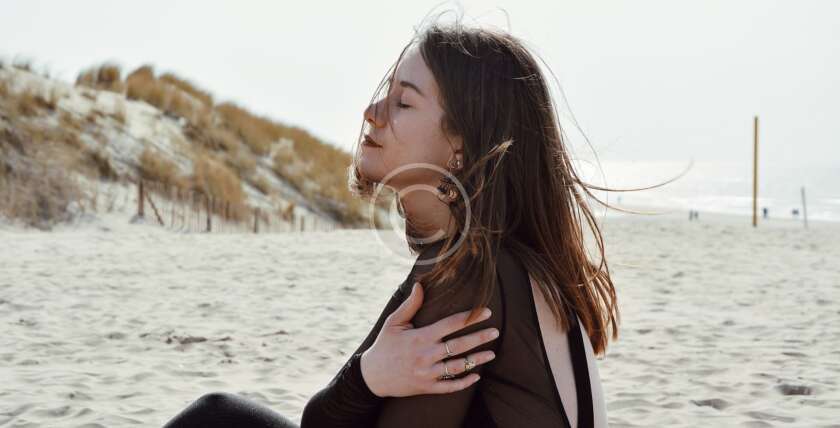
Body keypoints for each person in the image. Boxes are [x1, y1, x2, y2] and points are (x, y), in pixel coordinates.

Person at [163, 15, 625, 428]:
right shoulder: (499, 263)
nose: (372, 113)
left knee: (214, 420)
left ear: (461, 145)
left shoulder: (471, 271)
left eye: (403, 103)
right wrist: (368, 376)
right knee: (220, 415)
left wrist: (365, 379)